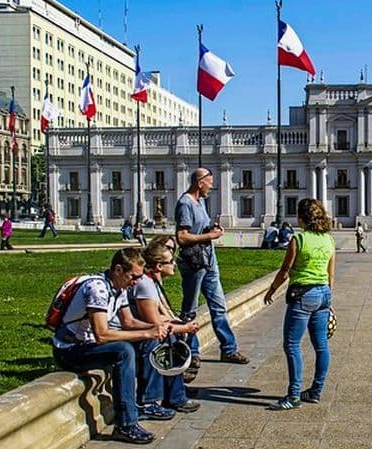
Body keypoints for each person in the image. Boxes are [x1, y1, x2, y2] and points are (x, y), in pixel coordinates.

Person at [51, 248, 170, 444]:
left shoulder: (120, 288)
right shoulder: (97, 289)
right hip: (70, 350)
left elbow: (129, 322)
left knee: (148, 341)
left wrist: (157, 326)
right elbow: (102, 335)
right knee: (123, 352)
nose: (137, 282)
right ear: (118, 270)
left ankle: (148, 401)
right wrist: (148, 332)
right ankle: (125, 424)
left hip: (87, 345)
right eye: (133, 276)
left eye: (140, 277)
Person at [264, 198, 335, 410]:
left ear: (301, 217)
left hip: (303, 294)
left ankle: (294, 395)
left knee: (292, 344)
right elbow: (331, 274)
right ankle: (315, 390)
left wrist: (272, 290)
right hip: (324, 292)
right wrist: (329, 298)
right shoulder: (328, 240)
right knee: (321, 345)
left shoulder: (299, 239)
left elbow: (285, 270)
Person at [175, 168, 248, 366]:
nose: (211, 186)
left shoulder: (201, 202)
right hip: (194, 262)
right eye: (209, 182)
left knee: (219, 306)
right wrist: (209, 236)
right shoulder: (185, 203)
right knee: (190, 309)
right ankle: (191, 350)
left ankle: (229, 349)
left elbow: (201, 228)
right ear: (200, 182)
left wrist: (212, 230)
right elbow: (181, 237)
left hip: (209, 260)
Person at [130, 240, 201, 416]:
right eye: (171, 261)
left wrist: (180, 324)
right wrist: (184, 327)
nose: (175, 264)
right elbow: (155, 325)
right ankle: (162, 399)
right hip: (134, 333)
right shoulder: (146, 284)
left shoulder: (152, 282)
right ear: (159, 266)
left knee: (175, 334)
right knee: (167, 340)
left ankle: (175, 393)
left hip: (138, 330)